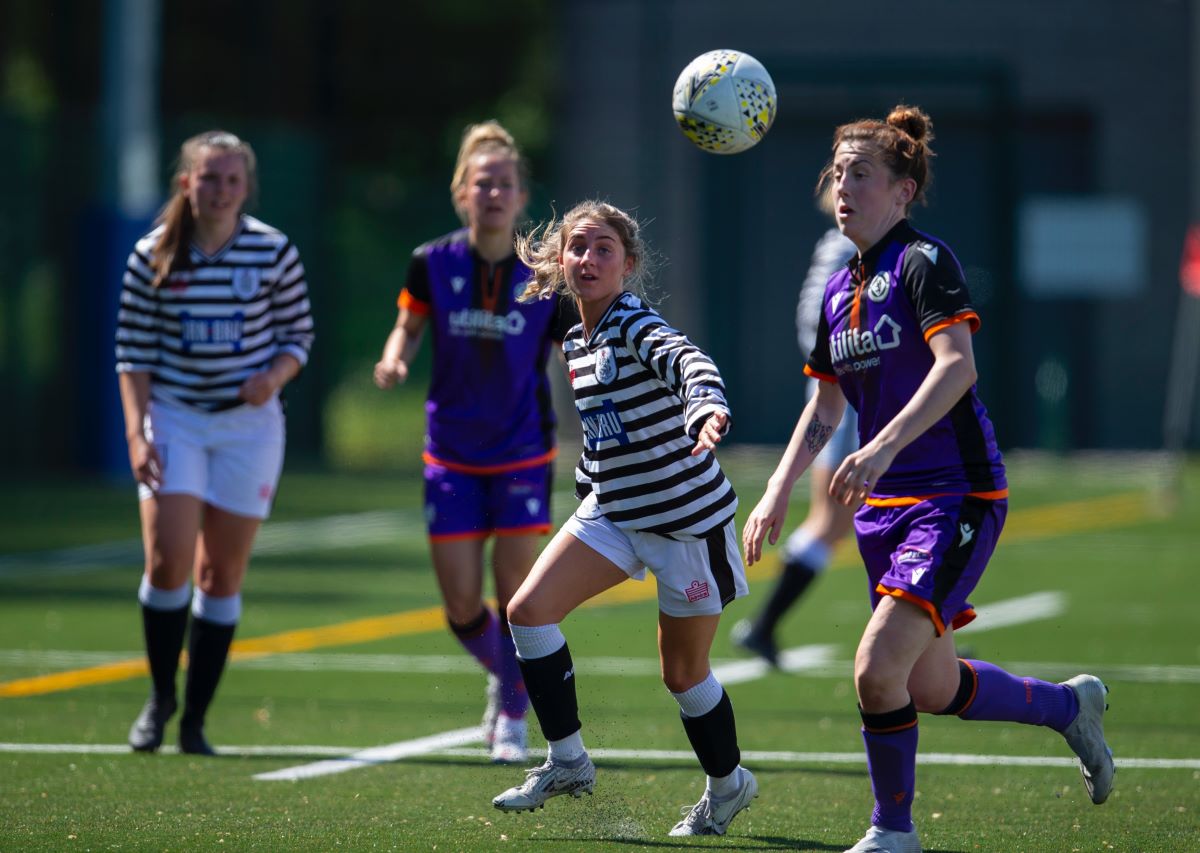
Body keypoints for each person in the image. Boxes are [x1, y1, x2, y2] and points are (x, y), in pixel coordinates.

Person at [742, 106, 1114, 853]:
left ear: (904, 190)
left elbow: (957, 367)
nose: (843, 186)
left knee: (877, 669)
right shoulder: (834, 288)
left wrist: (879, 445)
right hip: (886, 507)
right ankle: (1069, 707)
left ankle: (893, 830)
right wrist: (779, 487)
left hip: (955, 494)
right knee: (930, 687)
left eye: (862, 174)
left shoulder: (923, 262)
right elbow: (825, 402)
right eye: (838, 173)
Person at [490, 201, 758, 837]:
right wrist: (591, 481)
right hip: (613, 508)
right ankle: (568, 762)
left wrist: (706, 407)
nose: (588, 259)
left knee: (683, 675)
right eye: (577, 247)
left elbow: (685, 359)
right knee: (527, 612)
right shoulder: (576, 339)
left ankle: (729, 786)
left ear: (628, 265)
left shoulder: (634, 322)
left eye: (603, 248)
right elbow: (604, 428)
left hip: (686, 523)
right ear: (561, 260)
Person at [373, 121, 575, 764]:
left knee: (518, 601)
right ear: (462, 192)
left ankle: (513, 713)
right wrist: (394, 359)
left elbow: (577, 352)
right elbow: (407, 326)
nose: (493, 193)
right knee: (462, 606)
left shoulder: (545, 273)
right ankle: (506, 677)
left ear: (521, 197)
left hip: (522, 451)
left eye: (505, 184)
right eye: (482, 183)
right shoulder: (432, 261)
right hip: (451, 454)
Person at [115, 130, 315, 755]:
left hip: (247, 428)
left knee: (220, 574)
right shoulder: (152, 254)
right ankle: (159, 698)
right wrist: (137, 432)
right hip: (174, 417)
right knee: (168, 560)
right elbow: (133, 353)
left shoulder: (272, 251)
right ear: (186, 183)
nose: (220, 190)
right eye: (209, 178)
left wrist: (273, 377)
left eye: (232, 180)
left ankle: (195, 719)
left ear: (245, 188)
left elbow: (298, 335)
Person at [731, 220, 858, 666]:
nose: (848, 187)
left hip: (853, 393)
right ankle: (764, 624)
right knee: (835, 520)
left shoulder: (872, 245)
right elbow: (817, 325)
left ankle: (925, 640)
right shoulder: (850, 245)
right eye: (845, 173)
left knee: (858, 520)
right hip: (850, 395)